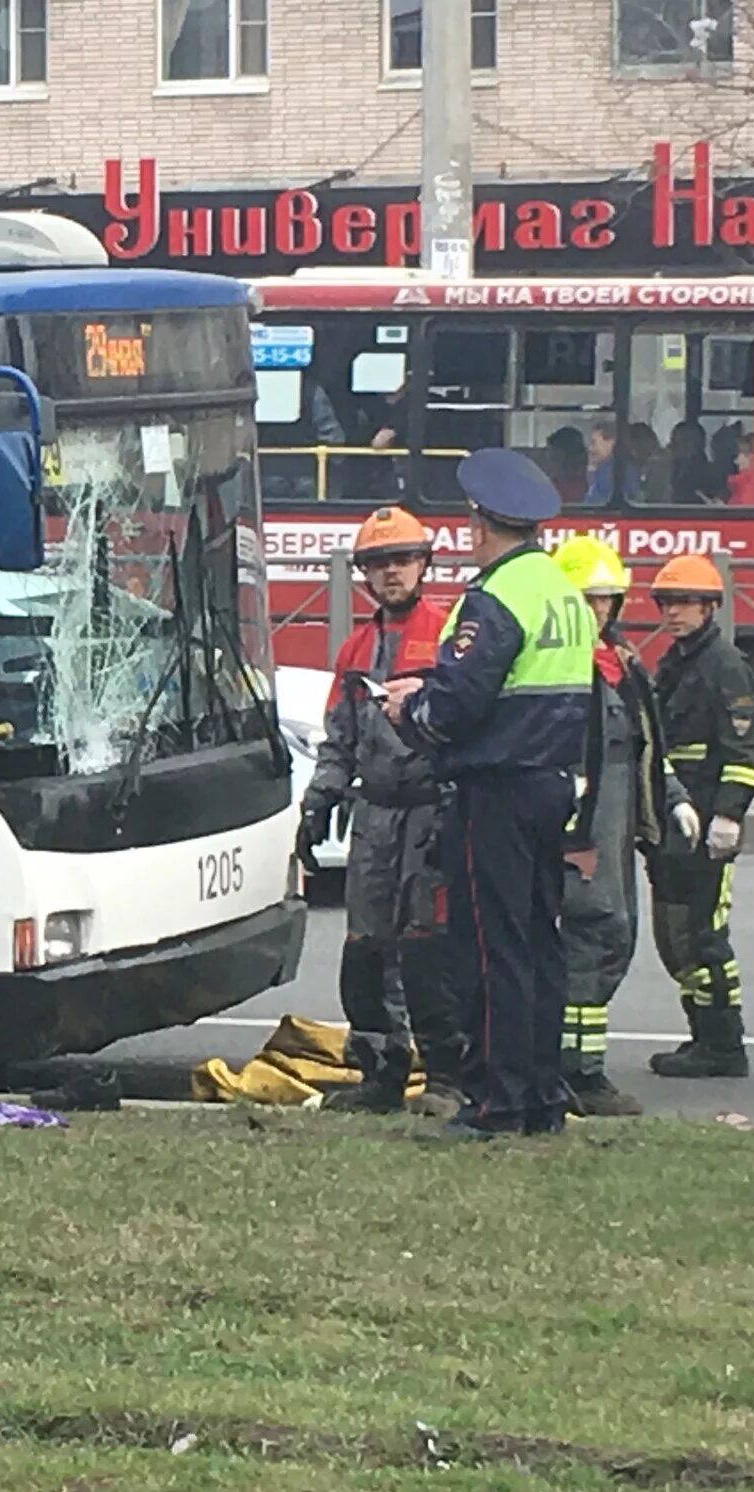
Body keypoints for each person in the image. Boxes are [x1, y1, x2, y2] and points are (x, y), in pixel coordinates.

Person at [383, 448, 593, 1139]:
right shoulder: (563, 592)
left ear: (480, 524)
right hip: (551, 782)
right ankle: (540, 1097)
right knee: (539, 944)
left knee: (487, 947)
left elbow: (458, 708)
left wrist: (409, 710)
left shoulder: (494, 597)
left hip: (494, 788)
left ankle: (493, 1103)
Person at [297, 506, 462, 1114]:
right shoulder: (357, 648)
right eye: (378, 563)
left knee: (428, 951)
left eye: (401, 560)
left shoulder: (451, 636)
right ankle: (382, 1074)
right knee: (364, 951)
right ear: (364, 574)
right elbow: (338, 738)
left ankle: (446, 1076)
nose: (391, 572)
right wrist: (319, 802)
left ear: (424, 564)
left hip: (431, 814)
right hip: (375, 818)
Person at [551, 536, 699, 1116]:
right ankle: (577, 1076)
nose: (599, 612)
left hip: (618, 828)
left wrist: (676, 798)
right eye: (587, 601)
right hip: (580, 831)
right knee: (589, 939)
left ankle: (576, 1066)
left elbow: (648, 748)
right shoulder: (561, 669)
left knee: (615, 940)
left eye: (607, 601)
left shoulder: (625, 664)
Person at [646, 553, 754, 1079]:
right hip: (675, 825)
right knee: (677, 938)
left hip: (707, 827)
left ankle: (723, 1043)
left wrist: (729, 817)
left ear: (711, 606)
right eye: (666, 602)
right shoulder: (677, 661)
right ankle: (700, 1034)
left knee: (704, 936)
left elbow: (743, 751)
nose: (673, 612)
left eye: (684, 602)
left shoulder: (725, 666)